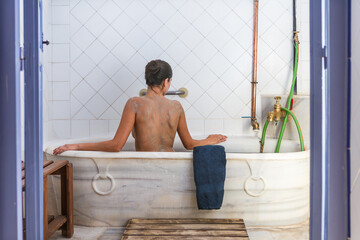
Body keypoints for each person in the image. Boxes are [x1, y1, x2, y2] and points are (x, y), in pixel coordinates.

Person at [53, 60, 227, 155]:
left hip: (145, 166)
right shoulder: (176, 106)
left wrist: (75, 147)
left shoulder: (134, 104)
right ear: (166, 81)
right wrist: (210, 139)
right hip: (171, 163)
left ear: (148, 80)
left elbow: (116, 145)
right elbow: (189, 144)